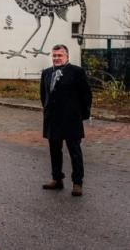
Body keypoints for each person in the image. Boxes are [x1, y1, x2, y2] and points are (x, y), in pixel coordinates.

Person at [40, 44, 92, 197]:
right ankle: (57, 179)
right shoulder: (46, 73)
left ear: (67, 56)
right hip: (53, 119)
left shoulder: (77, 72)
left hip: (71, 119)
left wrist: (82, 114)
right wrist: (47, 110)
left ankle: (77, 183)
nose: (56, 58)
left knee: (74, 151)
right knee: (54, 151)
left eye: (59, 56)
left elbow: (86, 94)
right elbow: (43, 95)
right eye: (54, 55)